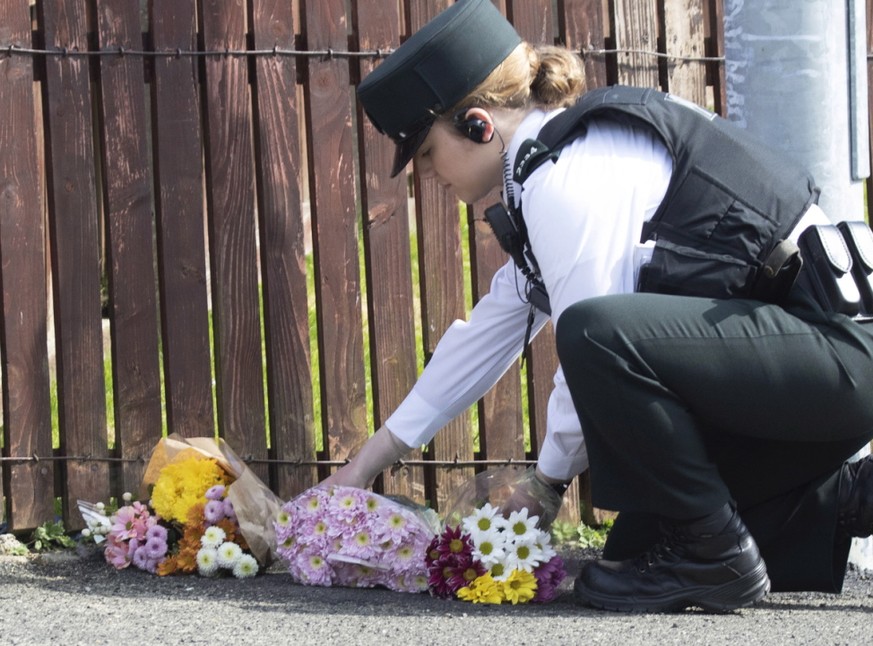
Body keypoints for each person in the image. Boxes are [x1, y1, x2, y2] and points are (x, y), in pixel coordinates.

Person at [322, 0, 873, 613]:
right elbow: (482, 341)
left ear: (479, 124)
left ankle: (717, 558)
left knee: (595, 336)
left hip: (839, 356)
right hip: (808, 368)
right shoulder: (541, 175)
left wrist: (546, 483)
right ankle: (850, 495)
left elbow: (597, 335)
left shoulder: (569, 178)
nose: (426, 177)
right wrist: (360, 469)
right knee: (637, 549)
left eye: (425, 153)